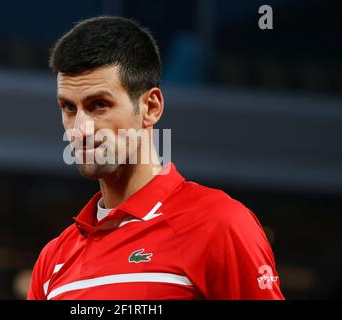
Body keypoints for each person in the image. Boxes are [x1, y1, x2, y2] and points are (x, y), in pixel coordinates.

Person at [27, 16, 284, 300]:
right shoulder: (52, 260)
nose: (80, 129)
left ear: (150, 107)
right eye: (69, 108)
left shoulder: (220, 226)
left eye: (99, 105)